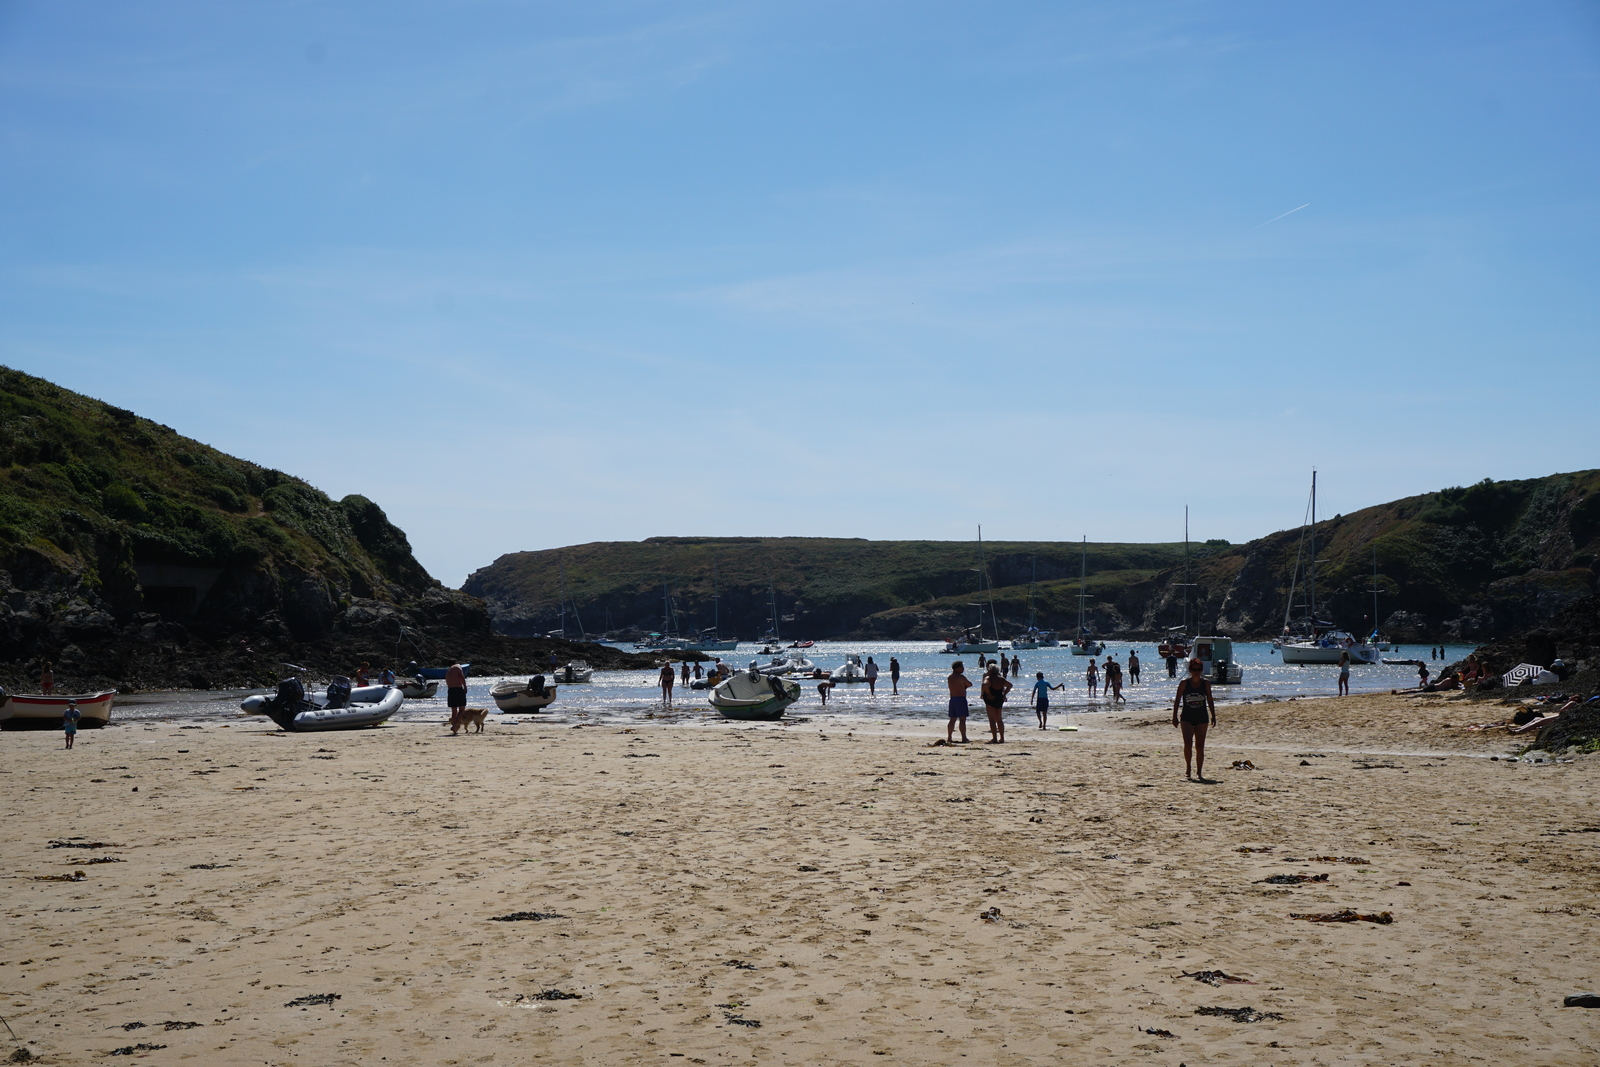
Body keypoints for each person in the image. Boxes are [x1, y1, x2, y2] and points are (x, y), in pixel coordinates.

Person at [1172, 658, 1216, 781]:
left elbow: (1210, 700)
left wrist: (1213, 715)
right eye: (1194, 669)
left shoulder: (1206, 683)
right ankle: (1188, 768)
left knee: (1200, 746)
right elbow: (1177, 700)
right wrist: (1174, 716)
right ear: (1190, 670)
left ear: (1202, 670)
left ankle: (1199, 772)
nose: (1196, 672)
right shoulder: (1184, 683)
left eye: (1199, 669)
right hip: (1187, 717)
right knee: (1187, 744)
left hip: (1202, 717)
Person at [981, 662, 1013, 743]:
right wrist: (1005, 694)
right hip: (999, 698)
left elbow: (984, 685)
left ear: (990, 670)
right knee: (999, 719)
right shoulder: (1001, 678)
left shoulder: (988, 678)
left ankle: (994, 738)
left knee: (992, 719)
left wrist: (988, 694)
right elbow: (1010, 685)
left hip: (991, 699)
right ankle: (1002, 738)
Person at [946, 662, 973, 744]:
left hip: (953, 699)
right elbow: (970, 684)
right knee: (962, 719)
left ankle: (949, 737)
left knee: (952, 719)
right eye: (962, 667)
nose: (963, 669)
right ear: (957, 668)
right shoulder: (961, 677)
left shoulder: (950, 677)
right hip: (960, 699)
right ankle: (964, 738)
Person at [444, 661, 468, 734]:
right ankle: (454, 726)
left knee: (454, 711)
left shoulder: (449, 670)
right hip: (458, 690)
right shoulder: (458, 667)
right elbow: (461, 676)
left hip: (451, 690)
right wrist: (465, 686)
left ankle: (455, 729)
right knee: (461, 710)